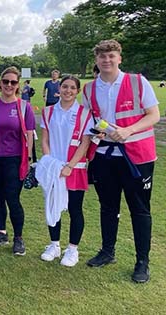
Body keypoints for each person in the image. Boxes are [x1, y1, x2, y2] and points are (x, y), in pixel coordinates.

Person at [82, 39, 160, 283]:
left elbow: (154, 115)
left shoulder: (137, 82)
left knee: (139, 209)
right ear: (96, 60)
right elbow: (90, 123)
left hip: (138, 157)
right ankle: (107, 252)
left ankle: (142, 262)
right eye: (102, 57)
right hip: (105, 157)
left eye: (111, 56)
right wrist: (99, 132)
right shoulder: (89, 89)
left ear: (119, 58)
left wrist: (128, 131)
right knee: (108, 207)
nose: (107, 60)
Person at [38, 76, 93, 267]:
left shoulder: (85, 113)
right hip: (54, 168)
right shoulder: (48, 111)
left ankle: (72, 249)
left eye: (72, 87)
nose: (67, 90)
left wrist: (69, 166)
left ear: (77, 91)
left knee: (75, 209)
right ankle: (54, 245)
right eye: (64, 86)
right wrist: (51, 163)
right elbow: (44, 139)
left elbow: (85, 142)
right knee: (53, 205)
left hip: (74, 169)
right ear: (58, 89)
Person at [0, 66, 35, 255]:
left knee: (12, 198)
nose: (9, 85)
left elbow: (29, 135)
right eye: (6, 81)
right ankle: (1, 232)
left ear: (18, 85)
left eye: (13, 82)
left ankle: (18, 238)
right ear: (0, 83)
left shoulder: (23, 106)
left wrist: (27, 160)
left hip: (15, 159)